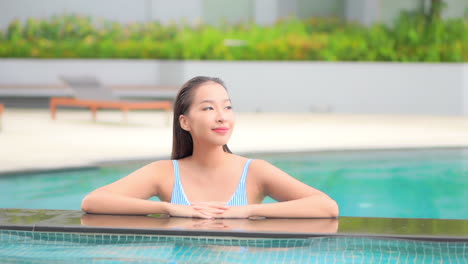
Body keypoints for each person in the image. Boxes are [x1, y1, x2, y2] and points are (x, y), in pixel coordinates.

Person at [81, 76, 339, 219]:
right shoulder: (165, 173)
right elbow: (93, 201)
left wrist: (248, 211)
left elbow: (326, 207)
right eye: (208, 108)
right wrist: (169, 208)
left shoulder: (255, 172)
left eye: (227, 106)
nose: (222, 116)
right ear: (185, 122)